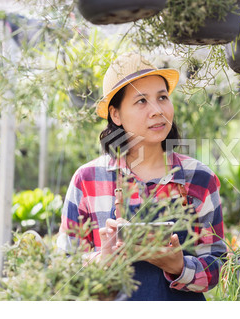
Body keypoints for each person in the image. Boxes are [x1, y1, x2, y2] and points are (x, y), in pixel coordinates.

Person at [57, 53, 226, 301]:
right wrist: (101, 259)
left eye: (162, 97)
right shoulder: (87, 180)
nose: (157, 110)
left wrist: (179, 267)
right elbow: (63, 269)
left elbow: (219, 265)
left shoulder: (199, 178)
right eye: (141, 101)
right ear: (116, 115)